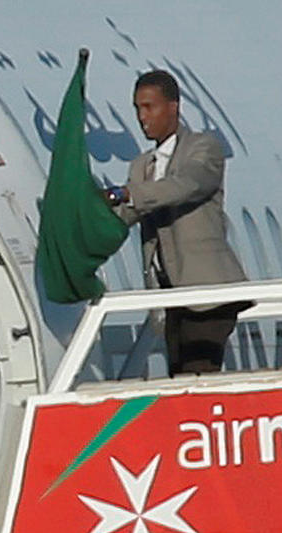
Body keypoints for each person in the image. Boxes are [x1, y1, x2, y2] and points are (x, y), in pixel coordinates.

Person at [104, 70, 249, 376]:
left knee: (197, 376)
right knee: (179, 377)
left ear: (173, 107)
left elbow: (187, 185)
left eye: (149, 107)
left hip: (207, 295)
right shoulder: (142, 165)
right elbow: (125, 215)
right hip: (170, 296)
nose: (142, 117)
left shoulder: (204, 148)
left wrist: (130, 194)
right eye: (137, 109)